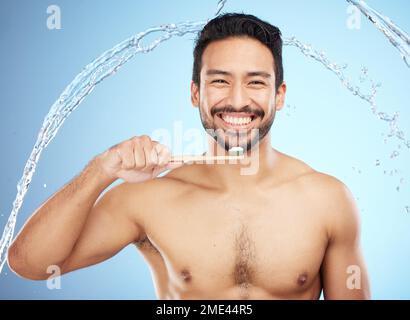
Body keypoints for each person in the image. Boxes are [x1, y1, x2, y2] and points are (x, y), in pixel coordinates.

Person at [8, 13, 370, 299]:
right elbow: (30, 263)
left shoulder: (327, 200)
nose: (239, 100)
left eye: (256, 82)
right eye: (220, 81)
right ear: (195, 93)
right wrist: (102, 169)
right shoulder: (148, 198)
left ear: (280, 95)